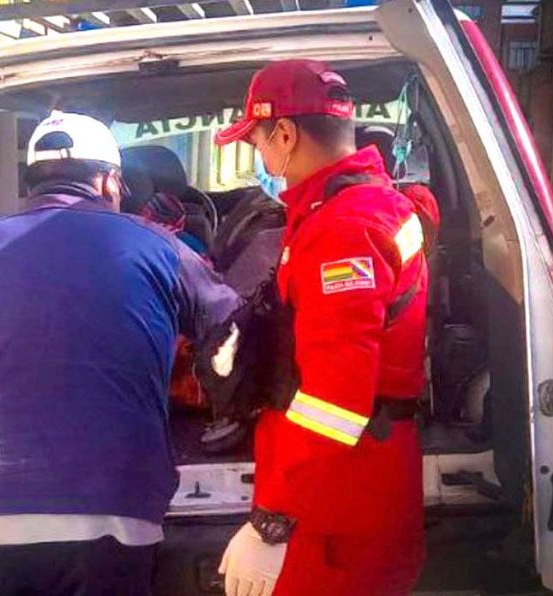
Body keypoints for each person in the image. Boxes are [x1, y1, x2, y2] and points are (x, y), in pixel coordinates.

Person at [0, 110, 241, 596]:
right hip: (114, 515)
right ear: (109, 182)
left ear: (32, 184)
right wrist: (229, 409)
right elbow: (234, 329)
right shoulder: (158, 245)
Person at [214, 60, 434, 596]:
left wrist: (273, 520)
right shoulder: (361, 206)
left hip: (337, 503)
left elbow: (335, 403)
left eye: (257, 141)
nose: (259, 156)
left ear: (286, 135)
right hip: (356, 479)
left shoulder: (343, 230)